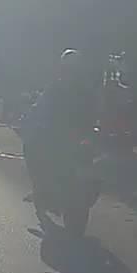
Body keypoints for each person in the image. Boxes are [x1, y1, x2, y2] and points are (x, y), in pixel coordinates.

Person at [22, 49, 99, 220]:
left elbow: (39, 109)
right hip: (77, 137)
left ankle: (40, 189)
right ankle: (42, 189)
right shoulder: (86, 90)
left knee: (30, 147)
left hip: (60, 138)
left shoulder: (56, 88)